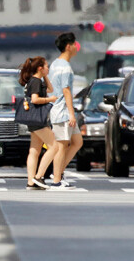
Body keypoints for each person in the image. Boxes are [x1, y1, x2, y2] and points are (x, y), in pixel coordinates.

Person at [48, 32, 83, 190]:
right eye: (75, 44)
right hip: (62, 112)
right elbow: (66, 90)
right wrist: (71, 114)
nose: (77, 47)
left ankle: (59, 173)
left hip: (59, 110)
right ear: (68, 47)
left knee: (77, 142)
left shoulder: (55, 64)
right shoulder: (65, 68)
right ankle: (56, 180)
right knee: (62, 146)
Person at [19, 56, 59, 190]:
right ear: (40, 68)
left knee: (34, 150)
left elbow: (50, 89)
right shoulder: (35, 81)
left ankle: (31, 182)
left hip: (33, 119)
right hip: (38, 119)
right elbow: (35, 100)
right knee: (54, 146)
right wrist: (50, 100)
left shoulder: (35, 81)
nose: (48, 68)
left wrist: (45, 76)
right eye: (46, 66)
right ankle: (39, 176)